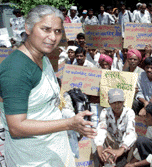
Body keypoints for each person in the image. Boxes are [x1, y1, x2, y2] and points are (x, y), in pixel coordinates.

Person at [0, 5, 96, 166]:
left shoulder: (44, 57)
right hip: (31, 159)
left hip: (54, 151)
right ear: (28, 28)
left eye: (58, 31)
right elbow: (16, 126)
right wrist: (69, 123)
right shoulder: (16, 69)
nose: (53, 37)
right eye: (46, 29)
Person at [94, 88, 137, 167]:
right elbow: (101, 129)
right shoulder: (105, 112)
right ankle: (106, 158)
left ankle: (124, 160)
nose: (117, 105)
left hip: (123, 146)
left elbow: (131, 132)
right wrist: (99, 147)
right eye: (114, 103)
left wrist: (121, 150)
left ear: (123, 101)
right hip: (110, 144)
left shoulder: (129, 112)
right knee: (98, 135)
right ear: (109, 102)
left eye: (119, 102)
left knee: (134, 136)